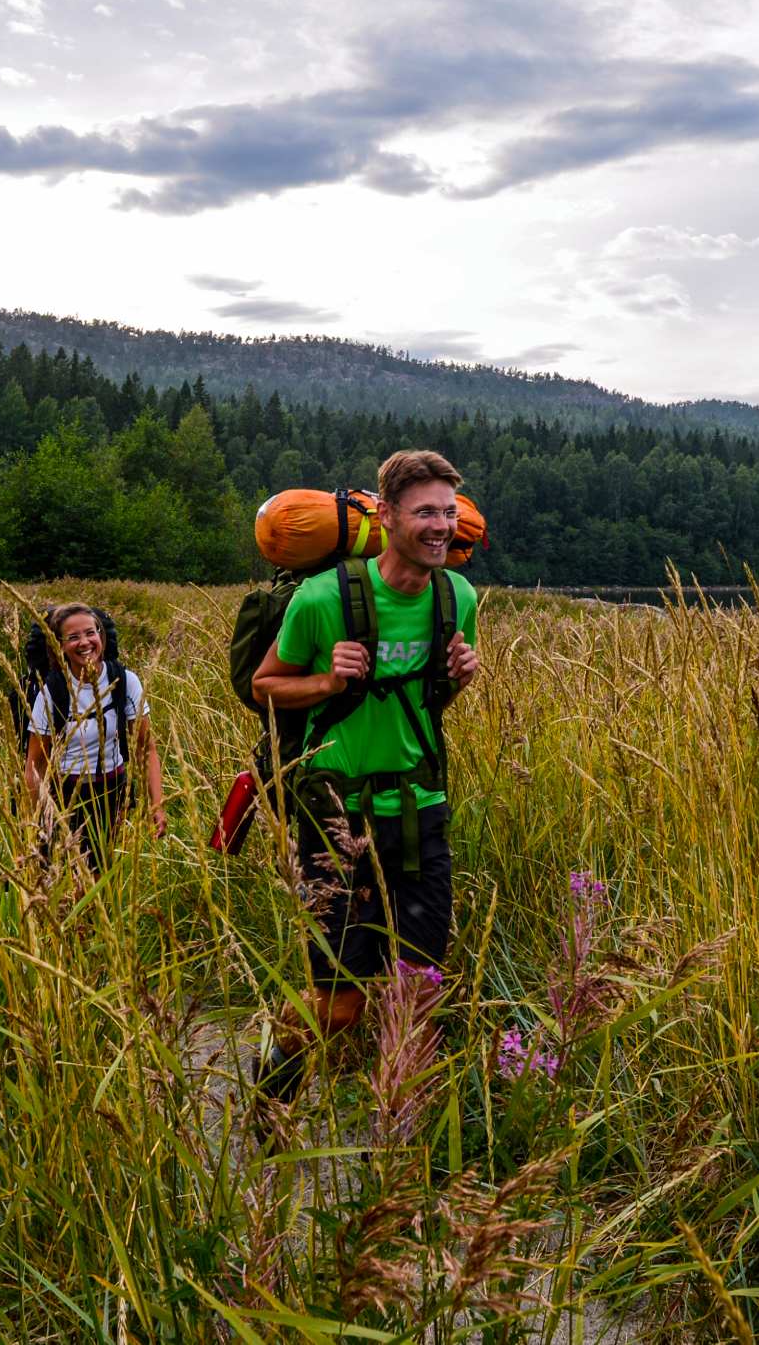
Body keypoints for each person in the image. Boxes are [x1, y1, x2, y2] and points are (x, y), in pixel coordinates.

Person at [249, 449, 482, 1091]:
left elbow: (426, 705)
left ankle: (394, 1132)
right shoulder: (324, 599)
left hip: (419, 809)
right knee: (338, 1004)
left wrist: (453, 681)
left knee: (419, 989)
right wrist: (327, 680)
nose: (440, 526)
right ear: (387, 515)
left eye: (448, 512)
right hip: (336, 811)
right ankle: (271, 1100)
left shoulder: (456, 595)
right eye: (425, 512)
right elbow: (264, 684)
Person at [23, 602, 166, 873]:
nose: (84, 642)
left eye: (90, 633)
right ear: (60, 646)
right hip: (63, 796)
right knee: (64, 880)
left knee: (100, 874)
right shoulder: (52, 691)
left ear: (101, 635)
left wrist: (157, 804)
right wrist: (33, 820)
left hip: (112, 791)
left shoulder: (125, 681)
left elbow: (146, 749)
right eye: (73, 637)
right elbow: (36, 764)